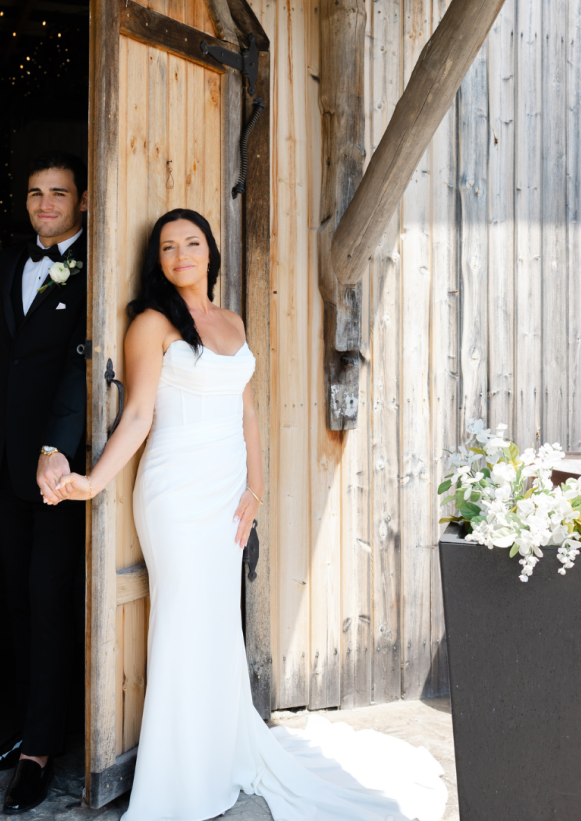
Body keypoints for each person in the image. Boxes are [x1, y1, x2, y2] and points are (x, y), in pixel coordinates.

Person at [49, 207, 447, 821]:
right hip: (175, 493)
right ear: (159, 262)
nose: (181, 254)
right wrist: (92, 483)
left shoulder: (232, 321)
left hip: (227, 493)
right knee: (182, 620)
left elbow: (249, 413)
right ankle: (177, 779)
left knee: (215, 625)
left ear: (210, 251)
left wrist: (255, 490)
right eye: (168, 247)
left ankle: (218, 752)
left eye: (191, 243)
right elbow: (136, 416)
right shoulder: (152, 324)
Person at [0, 150, 89, 815]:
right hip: (5, 465)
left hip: (59, 467)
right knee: (16, 602)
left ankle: (43, 750)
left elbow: (80, 366)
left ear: (82, 200)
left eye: (59, 194)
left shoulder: (92, 264)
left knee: (49, 602)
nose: (45, 205)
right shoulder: (11, 261)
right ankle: (21, 733)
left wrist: (56, 447)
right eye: (37, 194)